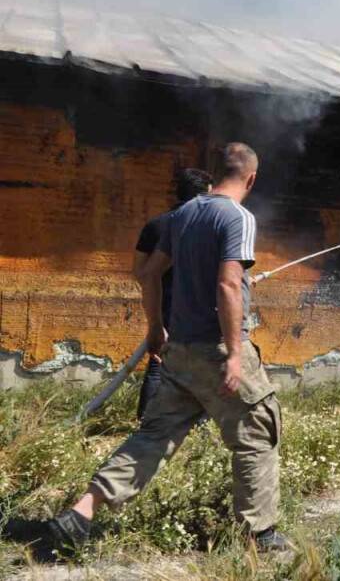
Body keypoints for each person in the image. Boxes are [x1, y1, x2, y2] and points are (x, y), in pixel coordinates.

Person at [5, 143, 287, 560]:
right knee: (257, 434)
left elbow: (150, 273)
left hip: (179, 351)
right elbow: (228, 285)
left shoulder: (182, 216)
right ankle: (260, 535)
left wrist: (156, 329)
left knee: (154, 435)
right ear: (251, 179)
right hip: (216, 348)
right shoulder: (238, 217)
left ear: (215, 171)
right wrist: (233, 353)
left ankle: (82, 513)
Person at [133, 167, 212, 421]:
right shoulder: (208, 227)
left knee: (158, 366)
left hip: (163, 306)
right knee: (205, 368)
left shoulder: (155, 225)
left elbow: (140, 272)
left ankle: (147, 421)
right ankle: (199, 424)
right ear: (203, 196)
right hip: (200, 310)